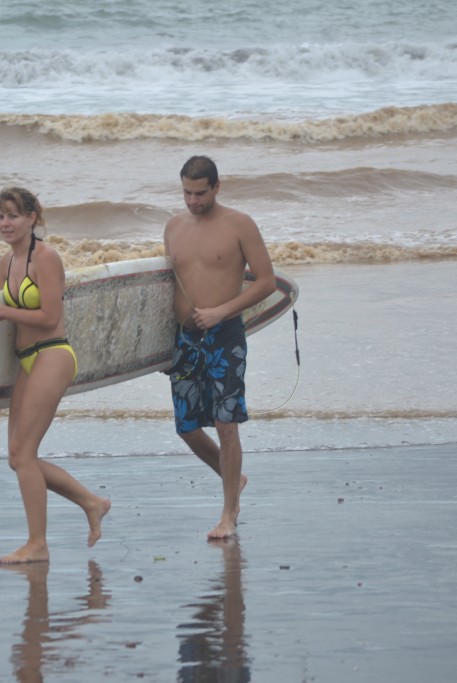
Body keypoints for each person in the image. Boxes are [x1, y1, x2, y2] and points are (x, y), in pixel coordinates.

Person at [0, 187, 110, 564]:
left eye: (13, 215)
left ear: (33, 218)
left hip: (52, 355)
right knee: (17, 456)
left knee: (24, 453)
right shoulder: (4, 263)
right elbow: (4, 331)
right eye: (0, 216)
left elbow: (49, 317)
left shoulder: (46, 259)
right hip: (24, 361)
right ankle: (91, 502)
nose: (5, 223)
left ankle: (38, 544)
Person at [163, 156, 275, 540]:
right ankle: (234, 478)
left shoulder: (239, 225)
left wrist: (221, 312)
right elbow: (168, 286)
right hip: (185, 338)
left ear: (217, 187)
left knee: (226, 424)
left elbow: (266, 281)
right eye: (186, 193)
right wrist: (161, 346)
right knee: (188, 428)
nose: (192, 201)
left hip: (225, 334)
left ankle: (229, 512)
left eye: (200, 193)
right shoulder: (173, 227)